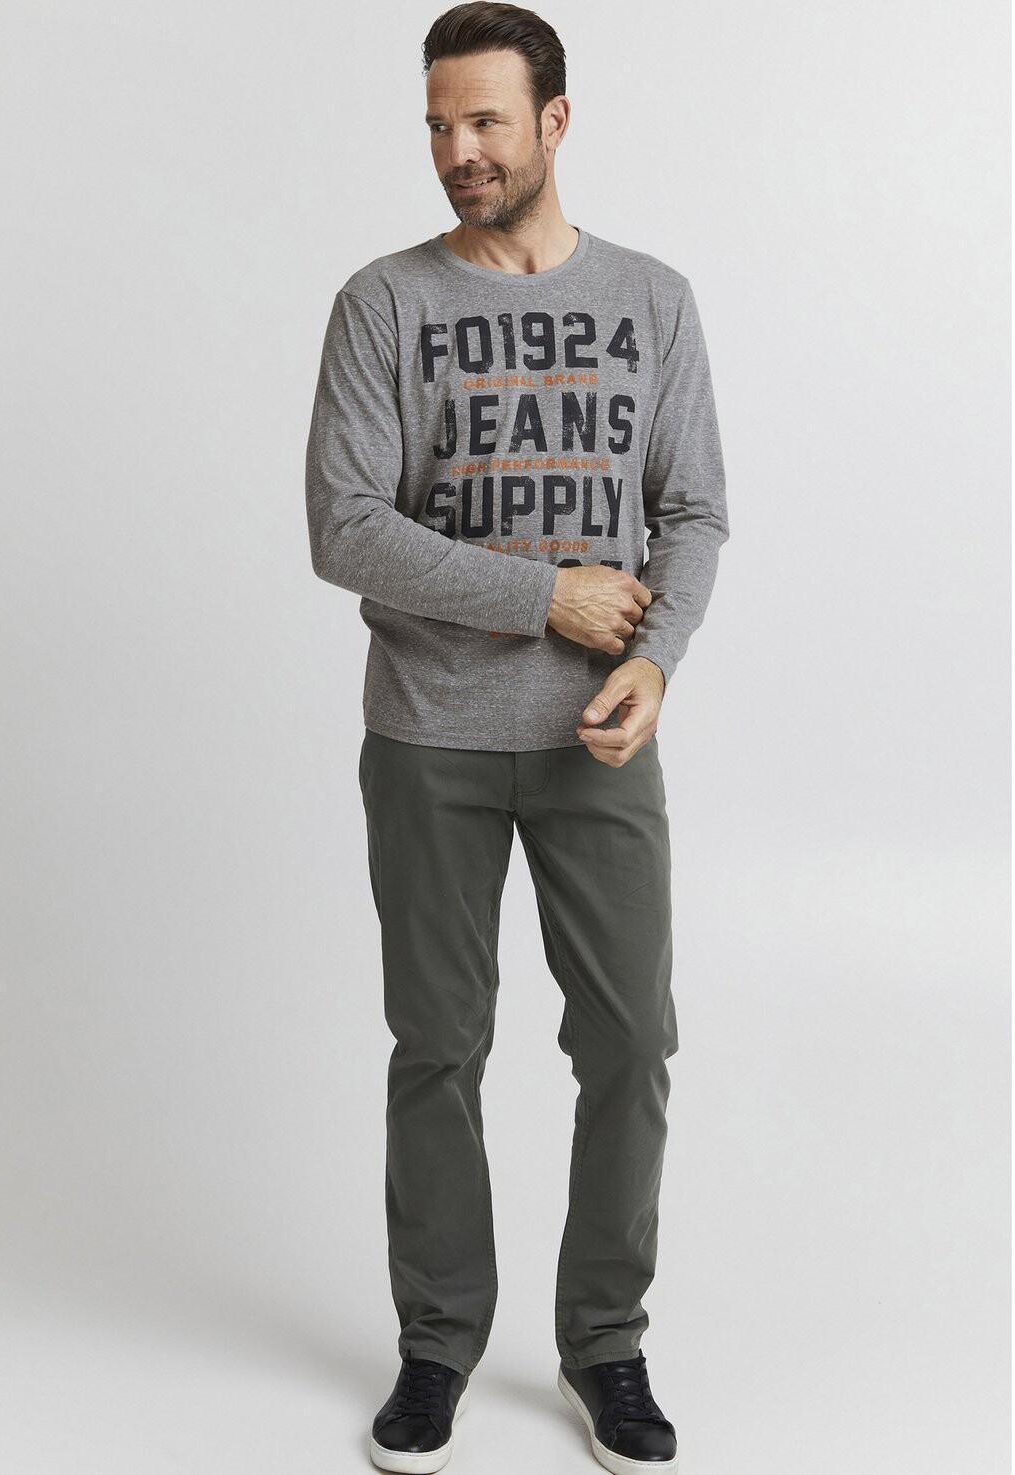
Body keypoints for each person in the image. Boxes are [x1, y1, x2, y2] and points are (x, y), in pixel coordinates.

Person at [304, 4, 729, 1470]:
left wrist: (655, 659)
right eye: (438, 124)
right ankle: (437, 1345)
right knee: (439, 1047)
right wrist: (548, 596)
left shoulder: (652, 300)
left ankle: (605, 1343)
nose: (457, 151)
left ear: (554, 120)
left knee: (630, 1043)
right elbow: (345, 527)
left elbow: (692, 509)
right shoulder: (384, 303)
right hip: (430, 733)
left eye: (485, 120)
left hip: (597, 739)